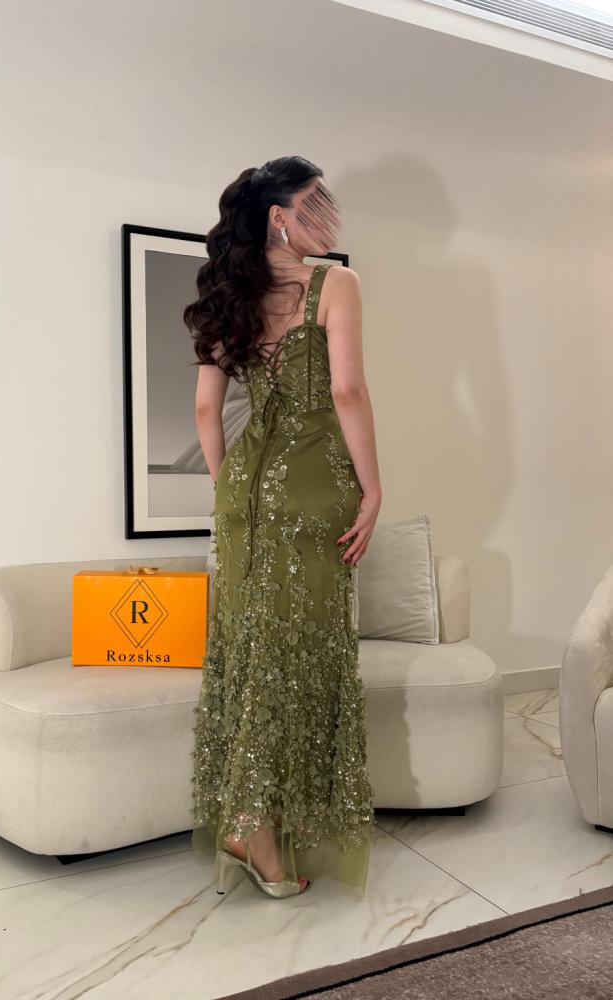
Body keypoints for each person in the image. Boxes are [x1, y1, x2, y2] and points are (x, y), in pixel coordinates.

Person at [184, 156, 382, 898]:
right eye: (313, 203)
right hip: (312, 485)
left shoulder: (228, 295)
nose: (327, 216)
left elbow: (206, 410)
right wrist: (372, 488)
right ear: (279, 216)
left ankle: (250, 816)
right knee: (298, 655)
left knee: (253, 653)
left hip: (242, 493)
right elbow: (347, 392)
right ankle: (255, 826)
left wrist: (230, 488)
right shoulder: (336, 284)